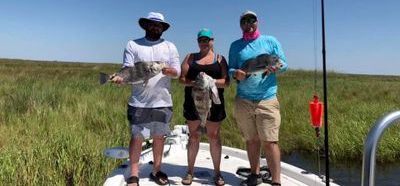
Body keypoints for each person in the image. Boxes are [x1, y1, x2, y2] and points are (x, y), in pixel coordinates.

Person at [111, 12, 180, 186]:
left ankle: (156, 170)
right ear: (146, 25)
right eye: (152, 24)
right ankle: (134, 174)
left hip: (163, 101)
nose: (156, 27)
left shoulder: (170, 46)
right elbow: (127, 69)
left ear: (163, 28)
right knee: (137, 137)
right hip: (138, 102)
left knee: (159, 137)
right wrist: (120, 78)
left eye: (159, 25)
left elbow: (177, 72)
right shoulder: (133, 44)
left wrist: (169, 71)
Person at [228, 10, 288, 186]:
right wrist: (235, 73)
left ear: (257, 22)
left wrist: (278, 68)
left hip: (266, 98)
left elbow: (284, 64)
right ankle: (255, 174)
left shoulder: (270, 41)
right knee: (251, 140)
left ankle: (276, 181)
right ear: (241, 25)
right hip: (243, 99)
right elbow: (231, 68)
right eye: (244, 21)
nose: (248, 23)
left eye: (251, 20)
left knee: (270, 141)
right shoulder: (235, 46)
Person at [179, 28, 229, 186]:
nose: (204, 43)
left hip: (214, 103)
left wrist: (210, 82)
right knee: (194, 137)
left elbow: (226, 82)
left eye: (207, 40)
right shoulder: (190, 57)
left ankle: (218, 173)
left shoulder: (220, 59)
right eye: (201, 40)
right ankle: (189, 172)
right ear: (198, 41)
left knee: (214, 137)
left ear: (212, 41)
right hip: (194, 102)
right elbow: (182, 79)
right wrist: (197, 83)